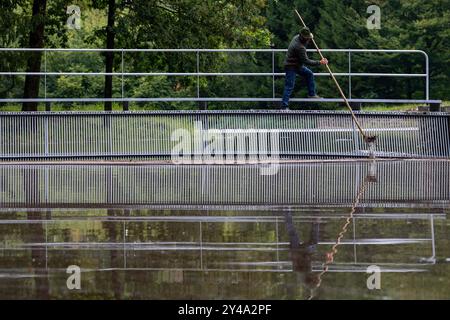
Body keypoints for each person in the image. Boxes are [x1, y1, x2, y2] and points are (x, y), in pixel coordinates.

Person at [282, 27, 328, 110]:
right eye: (307, 38)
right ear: (303, 37)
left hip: (297, 65)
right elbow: (306, 61)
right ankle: (284, 107)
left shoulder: (296, 37)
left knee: (309, 74)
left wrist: (311, 37)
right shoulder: (300, 47)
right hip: (291, 66)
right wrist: (320, 62)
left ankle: (311, 94)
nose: (308, 40)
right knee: (289, 86)